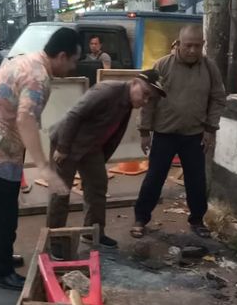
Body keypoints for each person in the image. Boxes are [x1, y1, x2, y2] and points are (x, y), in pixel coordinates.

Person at [0, 27, 81, 291]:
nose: (73, 67)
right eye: (73, 60)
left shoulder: (28, 59)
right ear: (61, 55)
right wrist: (44, 168)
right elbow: (25, 118)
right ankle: (0, 272)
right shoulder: (38, 78)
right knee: (2, 216)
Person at [47, 70, 166, 252]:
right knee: (61, 193)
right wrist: (62, 148)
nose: (146, 101)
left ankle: (94, 232)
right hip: (67, 144)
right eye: (146, 94)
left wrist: (101, 157)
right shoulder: (108, 90)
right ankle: (54, 242)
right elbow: (74, 115)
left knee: (97, 187)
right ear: (134, 83)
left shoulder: (128, 102)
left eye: (151, 99)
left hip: (90, 148)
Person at [131, 25, 226, 239]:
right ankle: (140, 219)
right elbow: (148, 101)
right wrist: (144, 131)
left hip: (194, 135)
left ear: (202, 45)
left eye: (197, 46)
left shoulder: (209, 68)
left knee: (196, 180)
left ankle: (197, 220)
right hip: (165, 134)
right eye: (188, 45)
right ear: (179, 44)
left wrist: (211, 129)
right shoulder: (163, 65)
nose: (192, 50)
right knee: (154, 178)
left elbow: (218, 98)